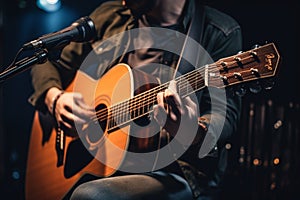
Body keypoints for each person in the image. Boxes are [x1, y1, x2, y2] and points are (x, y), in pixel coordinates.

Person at [28, 0, 242, 199]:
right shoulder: (112, 16)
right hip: (100, 163)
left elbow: (224, 116)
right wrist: (54, 98)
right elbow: (48, 61)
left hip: (172, 171)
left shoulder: (219, 32)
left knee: (91, 196)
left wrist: (190, 130)